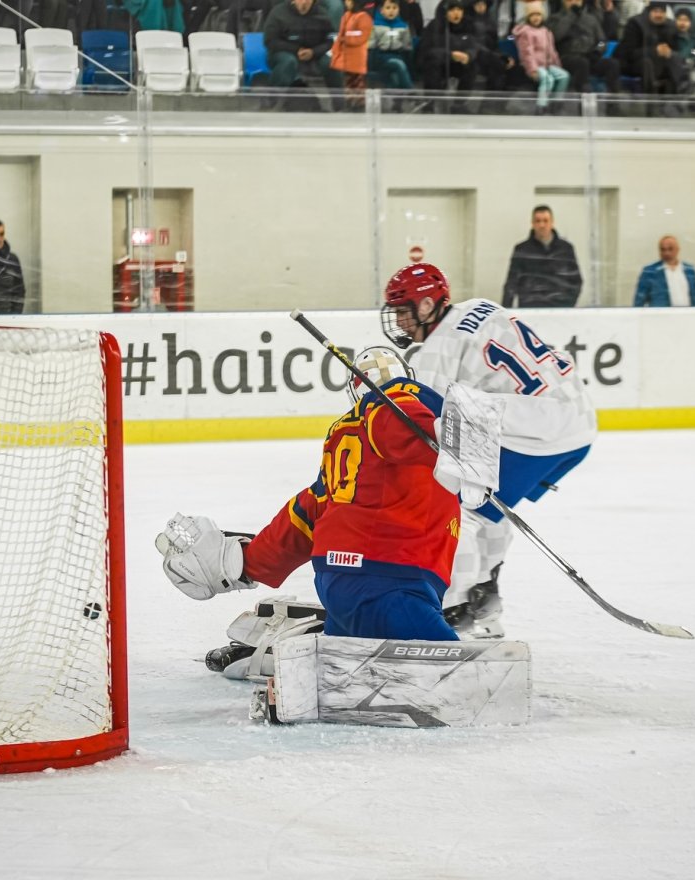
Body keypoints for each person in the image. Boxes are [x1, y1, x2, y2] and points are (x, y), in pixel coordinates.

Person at [158, 346, 468, 643]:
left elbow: (306, 514)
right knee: (460, 675)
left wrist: (248, 561)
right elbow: (395, 418)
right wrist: (445, 433)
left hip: (338, 579)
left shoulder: (344, 438)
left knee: (344, 660)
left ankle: (304, 651)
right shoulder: (392, 407)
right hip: (389, 580)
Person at [381, 262, 597, 638]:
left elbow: (420, 419)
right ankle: (485, 597)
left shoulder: (436, 351)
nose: (399, 322)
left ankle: (457, 608)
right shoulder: (477, 306)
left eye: (404, 311)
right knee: (492, 508)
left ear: (429, 305)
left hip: (534, 429)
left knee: (458, 505)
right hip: (578, 423)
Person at [502, 204, 583, 308]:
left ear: (552, 223)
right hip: (530, 309)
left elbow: (576, 280)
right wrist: (505, 311)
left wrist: (567, 304)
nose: (542, 225)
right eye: (538, 221)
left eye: (545, 221)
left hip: (559, 310)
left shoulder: (566, 249)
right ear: (532, 223)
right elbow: (511, 283)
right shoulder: (522, 249)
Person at [616, 2, 687, 109]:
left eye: (662, 12)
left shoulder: (672, 26)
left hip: (662, 63)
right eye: (656, 11)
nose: (659, 15)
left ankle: (675, 98)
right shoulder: (635, 24)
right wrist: (654, 51)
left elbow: (686, 49)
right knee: (647, 63)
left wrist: (669, 51)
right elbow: (628, 53)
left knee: (675, 59)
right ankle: (652, 105)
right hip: (632, 63)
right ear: (649, 11)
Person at [548, 0, 622, 100]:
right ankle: (584, 103)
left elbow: (602, 41)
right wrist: (570, 16)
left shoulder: (591, 19)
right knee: (582, 63)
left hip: (590, 56)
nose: (574, 2)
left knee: (613, 64)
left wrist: (597, 51)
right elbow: (556, 36)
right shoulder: (555, 18)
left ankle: (613, 105)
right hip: (566, 58)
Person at [262, 0, 339, 89]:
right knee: (289, 61)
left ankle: (339, 100)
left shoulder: (323, 14)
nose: (304, 2)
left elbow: (330, 40)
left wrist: (314, 52)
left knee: (332, 63)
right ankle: (271, 97)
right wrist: (296, 50)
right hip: (284, 53)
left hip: (314, 54)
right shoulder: (278, 13)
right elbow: (270, 40)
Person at [513, 1, 571, 114]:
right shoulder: (525, 32)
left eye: (538, 15)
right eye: (532, 15)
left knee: (564, 76)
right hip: (534, 66)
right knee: (547, 78)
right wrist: (533, 70)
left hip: (547, 65)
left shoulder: (546, 31)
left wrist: (556, 64)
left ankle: (556, 104)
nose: (536, 18)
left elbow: (552, 51)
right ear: (528, 17)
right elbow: (526, 54)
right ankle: (541, 106)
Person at [419, 0, 481, 100]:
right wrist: (449, 55)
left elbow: (475, 45)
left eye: (459, 10)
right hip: (440, 63)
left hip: (458, 63)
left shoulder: (468, 25)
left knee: (473, 66)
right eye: (452, 10)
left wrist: (468, 55)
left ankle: (459, 104)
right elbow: (427, 51)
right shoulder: (434, 26)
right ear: (445, 12)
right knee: (432, 65)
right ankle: (430, 102)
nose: (456, 13)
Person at [632, 235, 695, 306]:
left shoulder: (690, 271)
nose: (666, 253)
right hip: (661, 316)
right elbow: (639, 302)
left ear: (678, 249)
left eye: (670, 249)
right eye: (663, 249)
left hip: (687, 316)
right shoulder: (650, 272)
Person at [331, 0, 373, 110]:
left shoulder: (364, 17)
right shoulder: (346, 15)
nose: (346, 3)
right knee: (348, 84)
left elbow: (360, 36)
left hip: (357, 59)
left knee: (358, 84)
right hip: (345, 58)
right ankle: (349, 104)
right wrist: (336, 50)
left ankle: (359, 106)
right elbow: (341, 34)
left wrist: (345, 38)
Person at [369, 0, 416, 92]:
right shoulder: (375, 25)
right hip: (381, 58)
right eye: (388, 8)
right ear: (381, 10)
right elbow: (371, 46)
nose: (391, 11)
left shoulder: (403, 26)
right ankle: (412, 94)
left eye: (394, 8)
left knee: (396, 76)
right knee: (399, 65)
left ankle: (397, 104)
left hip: (398, 55)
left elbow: (407, 47)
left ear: (399, 9)